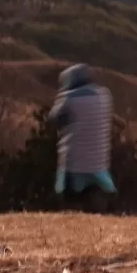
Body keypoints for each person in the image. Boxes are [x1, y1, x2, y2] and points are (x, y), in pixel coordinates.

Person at [48, 63, 117, 213]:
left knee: (66, 200)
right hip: (100, 165)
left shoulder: (69, 98)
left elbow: (53, 118)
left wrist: (61, 98)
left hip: (73, 165)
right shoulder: (104, 96)